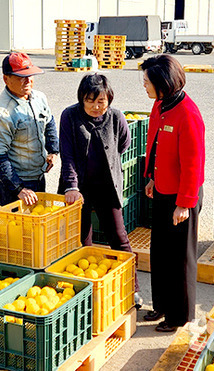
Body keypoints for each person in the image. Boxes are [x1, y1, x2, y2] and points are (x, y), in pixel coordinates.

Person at [58, 73, 141, 304]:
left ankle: (131, 288)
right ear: (81, 99)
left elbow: (124, 143)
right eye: (90, 100)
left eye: (101, 101)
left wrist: (109, 165)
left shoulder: (116, 117)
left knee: (119, 238)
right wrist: (71, 186)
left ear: (109, 99)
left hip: (107, 187)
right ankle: (87, 293)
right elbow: (67, 154)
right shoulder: (70, 115)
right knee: (81, 241)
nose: (96, 106)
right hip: (79, 189)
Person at [140, 55, 205, 332]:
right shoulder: (160, 105)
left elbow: (194, 164)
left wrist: (185, 204)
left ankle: (179, 316)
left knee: (180, 259)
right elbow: (154, 143)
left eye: (147, 82)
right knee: (161, 253)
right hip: (163, 189)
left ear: (163, 84)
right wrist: (152, 177)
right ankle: (162, 306)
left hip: (183, 196)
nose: (143, 86)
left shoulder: (188, 114)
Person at [0, 52, 59, 206]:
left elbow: (49, 121)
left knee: (38, 226)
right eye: (21, 77)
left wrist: (53, 150)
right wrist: (19, 188)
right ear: (6, 79)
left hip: (38, 176)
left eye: (30, 76)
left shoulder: (39, 98)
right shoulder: (0, 113)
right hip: (15, 184)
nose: (28, 81)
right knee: (16, 228)